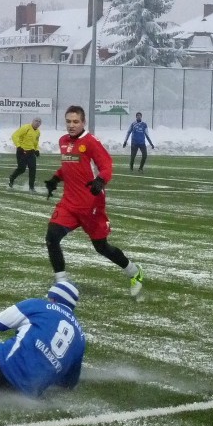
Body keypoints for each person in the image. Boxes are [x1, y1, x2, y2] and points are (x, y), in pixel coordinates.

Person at [44, 105, 145, 297]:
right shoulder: (63, 141)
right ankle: (61, 284)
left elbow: (106, 165)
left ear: (83, 122)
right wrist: (55, 179)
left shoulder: (90, 142)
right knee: (52, 238)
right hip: (69, 204)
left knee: (101, 247)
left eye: (75, 121)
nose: (71, 125)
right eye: (68, 121)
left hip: (91, 204)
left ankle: (134, 272)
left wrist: (100, 180)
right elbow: (68, 166)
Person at [8, 117, 42, 193]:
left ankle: (31, 187)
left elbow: (36, 143)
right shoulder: (26, 128)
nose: (37, 123)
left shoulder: (38, 132)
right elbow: (14, 136)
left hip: (31, 153)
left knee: (33, 169)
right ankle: (12, 178)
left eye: (39, 122)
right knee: (22, 169)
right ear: (32, 121)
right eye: (36, 121)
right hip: (22, 152)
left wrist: (36, 150)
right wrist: (18, 146)